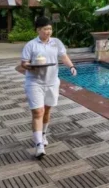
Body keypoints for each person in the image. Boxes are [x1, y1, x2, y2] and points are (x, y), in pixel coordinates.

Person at [17, 15, 77, 158]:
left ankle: (43, 134)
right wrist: (31, 67)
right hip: (34, 82)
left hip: (52, 82)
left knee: (47, 110)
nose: (48, 31)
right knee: (38, 112)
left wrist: (71, 66)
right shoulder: (31, 45)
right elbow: (24, 63)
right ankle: (38, 145)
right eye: (45, 29)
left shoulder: (56, 42)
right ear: (38, 30)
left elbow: (63, 56)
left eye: (50, 29)